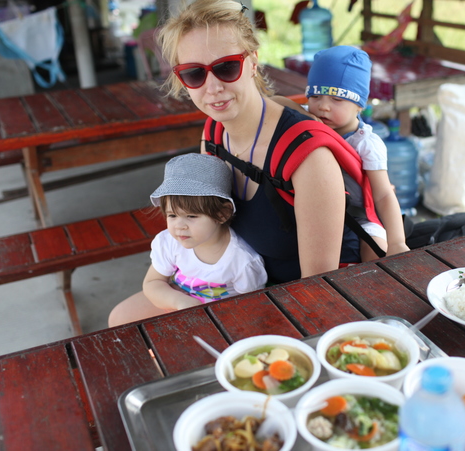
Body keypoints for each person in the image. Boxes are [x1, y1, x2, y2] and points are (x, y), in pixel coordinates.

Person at [157, 0, 364, 284]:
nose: (213, 87)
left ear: (253, 62)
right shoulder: (213, 134)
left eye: (227, 67)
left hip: (309, 291)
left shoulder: (308, 156)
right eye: (194, 73)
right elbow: (208, 228)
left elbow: (318, 286)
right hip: (242, 283)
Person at [277, 45, 410, 261]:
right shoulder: (309, 123)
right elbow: (274, 103)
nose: (323, 106)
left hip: (359, 217)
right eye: (315, 96)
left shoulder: (366, 143)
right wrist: (304, 114)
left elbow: (384, 194)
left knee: (377, 251)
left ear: (360, 105)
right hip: (312, 210)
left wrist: (397, 242)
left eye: (337, 99)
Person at [108, 153, 267, 327]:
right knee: (118, 318)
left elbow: (251, 307)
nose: (179, 226)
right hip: (177, 301)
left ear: (222, 213)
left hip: (220, 319)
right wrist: (181, 302)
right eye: (172, 215)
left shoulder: (242, 261)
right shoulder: (170, 243)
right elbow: (153, 283)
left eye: (191, 216)